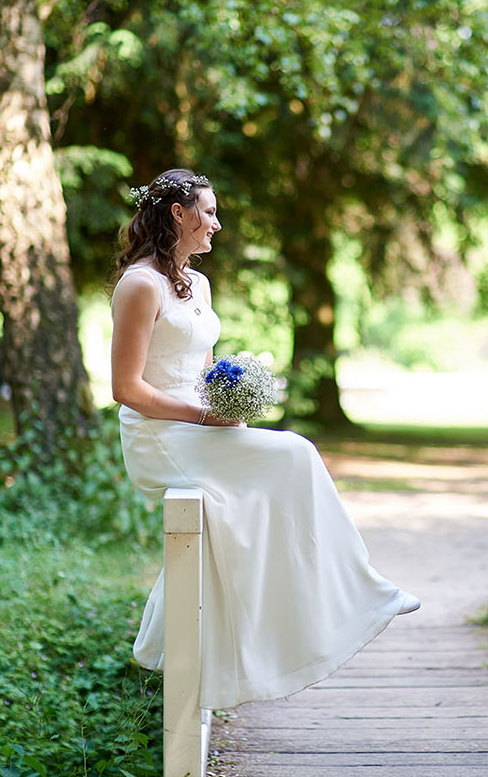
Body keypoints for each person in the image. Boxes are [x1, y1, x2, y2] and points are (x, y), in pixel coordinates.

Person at [110, 168, 419, 709]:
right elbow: (126, 388)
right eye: (207, 211)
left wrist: (229, 402)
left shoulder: (197, 283)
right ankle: (357, 591)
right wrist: (203, 419)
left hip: (198, 422)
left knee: (271, 479)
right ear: (178, 214)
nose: (217, 224)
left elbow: (200, 370)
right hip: (159, 434)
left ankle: (312, 608)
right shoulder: (139, 285)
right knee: (296, 452)